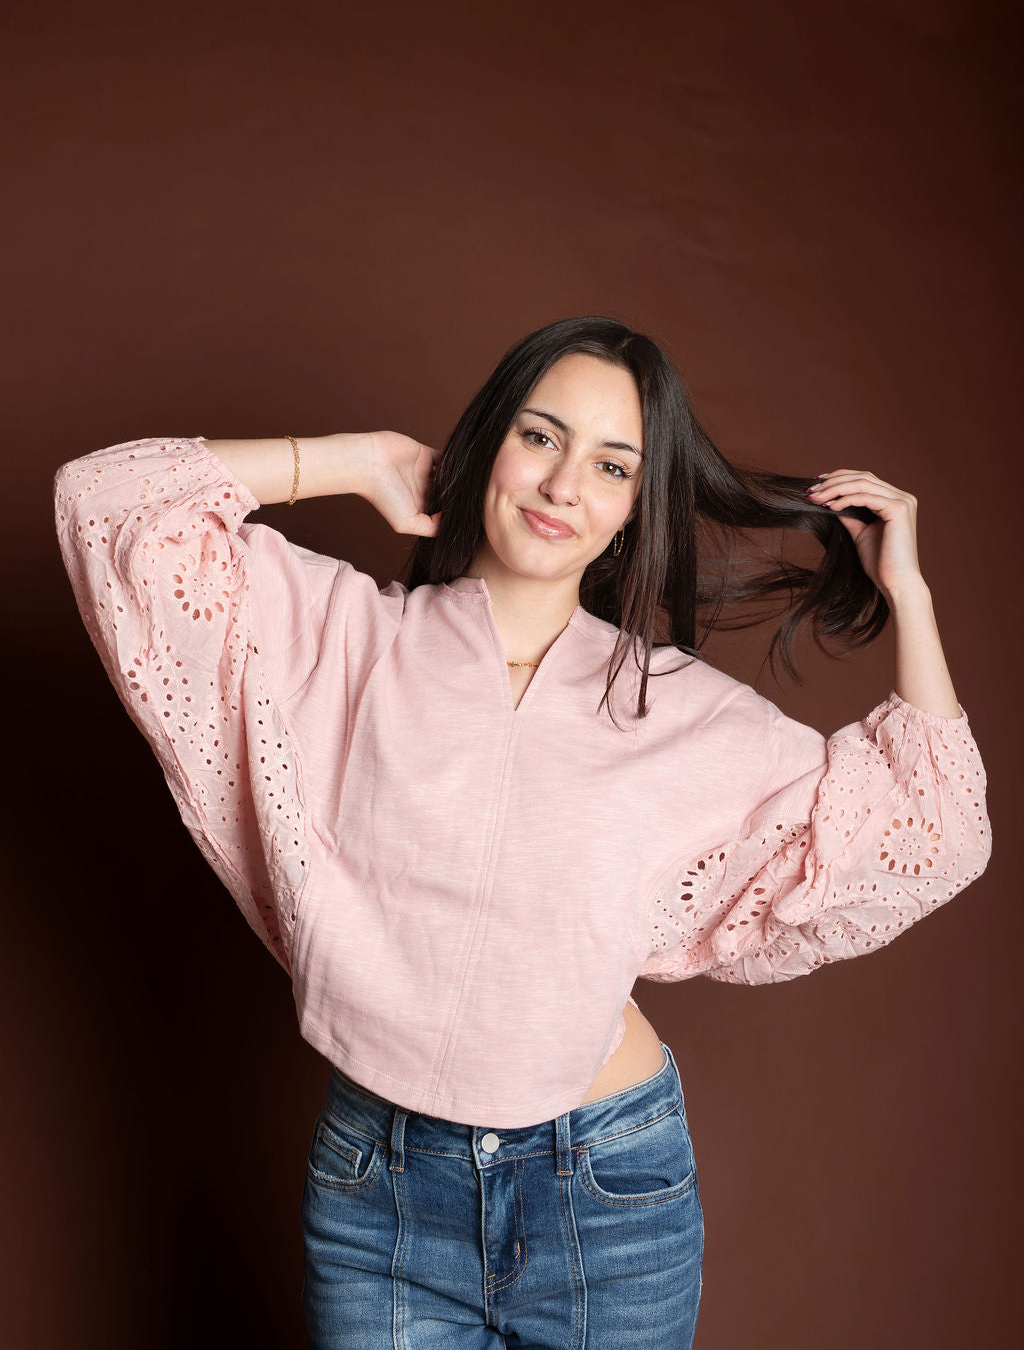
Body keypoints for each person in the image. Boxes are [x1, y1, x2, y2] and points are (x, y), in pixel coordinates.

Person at [53, 316, 992, 1349]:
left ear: (632, 511)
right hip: (379, 1196)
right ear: (489, 444)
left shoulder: (683, 711)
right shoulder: (343, 636)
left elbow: (933, 827)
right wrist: (356, 460)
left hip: (607, 1190)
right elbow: (104, 502)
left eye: (612, 466)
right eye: (540, 437)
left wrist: (909, 595)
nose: (562, 485)